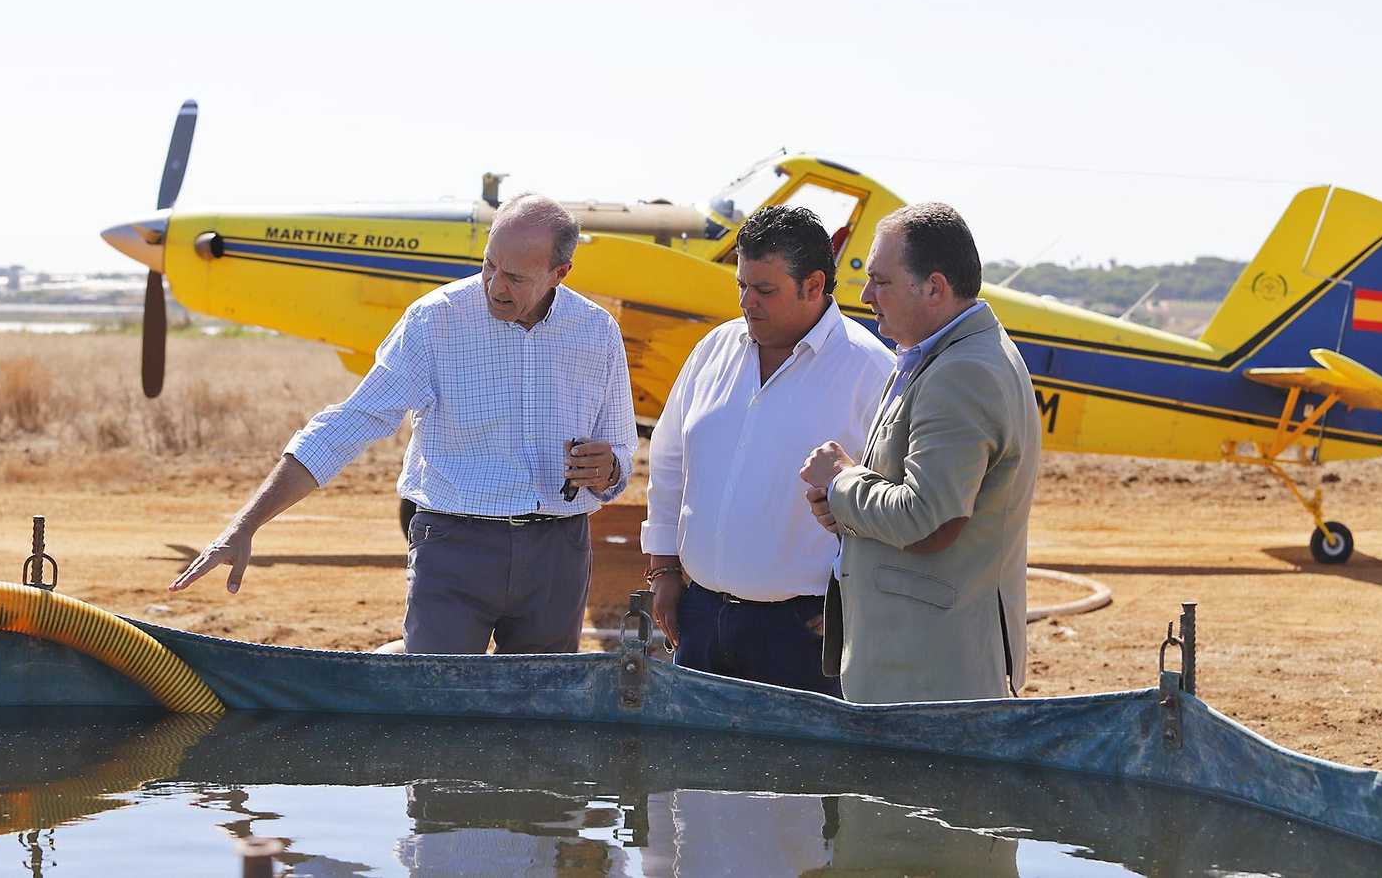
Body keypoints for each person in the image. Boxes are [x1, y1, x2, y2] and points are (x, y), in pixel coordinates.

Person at [170, 194, 638, 655]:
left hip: (558, 557)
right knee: (434, 706)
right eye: (488, 265)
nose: (495, 285)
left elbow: (620, 447)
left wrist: (610, 470)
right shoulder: (435, 321)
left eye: (515, 277)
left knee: (541, 711)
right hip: (455, 550)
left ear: (560, 273)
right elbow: (348, 424)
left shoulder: (597, 332)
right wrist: (244, 525)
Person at [641, 205, 892, 694]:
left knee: (797, 771)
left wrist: (858, 608)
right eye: (742, 286)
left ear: (814, 285)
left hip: (805, 637)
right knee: (695, 769)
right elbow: (670, 460)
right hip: (700, 620)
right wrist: (664, 568)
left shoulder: (872, 372)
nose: (746, 303)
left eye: (765, 290)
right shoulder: (712, 351)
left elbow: (898, 504)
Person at [799, 201, 1039, 703]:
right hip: (921, 665)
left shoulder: (961, 372)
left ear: (934, 287)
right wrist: (844, 507)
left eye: (880, 281)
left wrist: (842, 481)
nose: (865, 296)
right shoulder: (942, 356)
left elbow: (928, 520)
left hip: (928, 675)